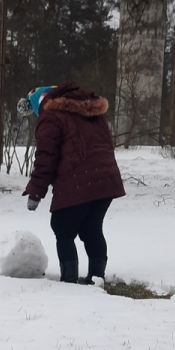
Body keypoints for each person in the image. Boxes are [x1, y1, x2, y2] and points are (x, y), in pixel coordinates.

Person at [20, 82, 125, 284]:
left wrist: (36, 191)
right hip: (106, 181)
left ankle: (68, 280)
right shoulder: (90, 110)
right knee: (91, 228)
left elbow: (46, 157)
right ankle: (96, 277)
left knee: (62, 227)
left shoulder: (50, 117)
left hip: (78, 179)